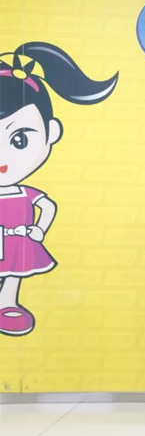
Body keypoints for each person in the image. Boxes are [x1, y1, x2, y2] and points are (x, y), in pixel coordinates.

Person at [0, 42, 117, 336]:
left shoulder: (26, 193)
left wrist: (38, 229)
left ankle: (7, 302)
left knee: (14, 272)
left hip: (18, 239)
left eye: (19, 140)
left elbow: (47, 206)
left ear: (51, 132)